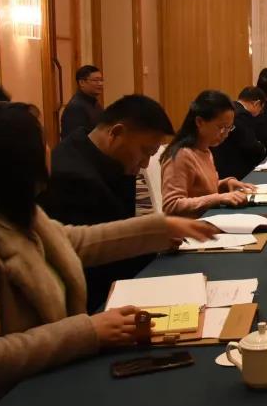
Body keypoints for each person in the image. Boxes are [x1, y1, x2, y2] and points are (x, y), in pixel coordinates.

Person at [0, 102, 216, 406]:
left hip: (49, 382)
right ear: (15, 159)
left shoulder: (16, 211)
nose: (50, 149)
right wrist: (89, 330)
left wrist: (161, 228)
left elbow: (75, 242)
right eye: (41, 142)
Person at [40, 95, 175, 312]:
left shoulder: (105, 159)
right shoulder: (72, 177)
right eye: (145, 151)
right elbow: (102, 261)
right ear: (116, 133)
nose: (145, 163)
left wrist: (157, 235)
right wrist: (154, 239)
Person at [161, 90, 255, 217]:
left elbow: (202, 189)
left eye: (229, 128)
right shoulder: (181, 155)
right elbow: (171, 205)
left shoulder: (205, 150)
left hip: (207, 219)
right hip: (189, 226)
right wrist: (218, 198)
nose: (225, 134)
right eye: (221, 127)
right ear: (199, 122)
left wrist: (225, 184)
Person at [212, 86, 267, 180]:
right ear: (256, 103)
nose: (260, 113)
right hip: (234, 169)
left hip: (220, 163)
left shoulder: (230, 109)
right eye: (261, 109)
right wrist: (262, 148)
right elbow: (250, 145)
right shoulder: (242, 115)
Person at [60, 65, 104, 139]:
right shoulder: (75, 107)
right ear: (82, 82)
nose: (100, 83)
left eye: (101, 80)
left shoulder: (95, 103)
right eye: (96, 80)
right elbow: (75, 139)